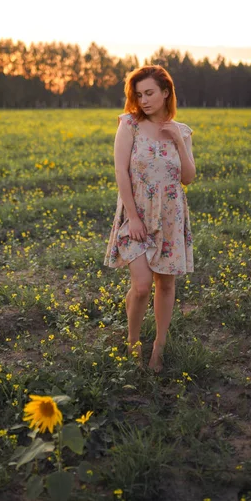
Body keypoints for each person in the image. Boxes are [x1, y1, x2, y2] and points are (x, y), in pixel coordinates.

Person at [104, 65, 196, 372]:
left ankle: (159, 346)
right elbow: (120, 172)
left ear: (166, 93)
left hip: (170, 216)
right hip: (136, 214)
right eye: (138, 94)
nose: (143, 100)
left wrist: (179, 142)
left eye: (149, 93)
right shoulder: (128, 124)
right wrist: (132, 218)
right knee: (142, 286)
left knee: (166, 285)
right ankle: (133, 342)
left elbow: (188, 178)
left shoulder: (181, 131)